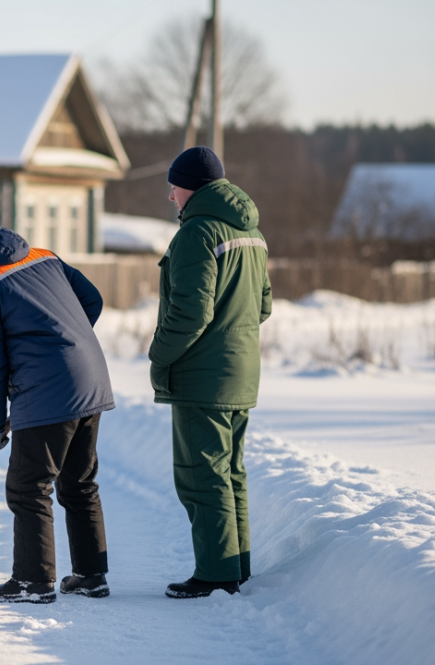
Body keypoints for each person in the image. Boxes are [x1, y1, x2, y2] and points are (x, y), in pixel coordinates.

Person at [0, 210, 114, 604]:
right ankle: (90, 575)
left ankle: (33, 581)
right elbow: (91, 300)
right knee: (78, 482)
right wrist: (64, 346)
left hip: (48, 389)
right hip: (91, 377)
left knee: (27, 487)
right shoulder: (41, 255)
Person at [149, 146, 272, 599]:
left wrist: (158, 355)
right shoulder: (252, 233)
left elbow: (189, 314)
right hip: (241, 373)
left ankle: (216, 575)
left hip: (203, 378)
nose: (170, 197)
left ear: (191, 188)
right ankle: (235, 567)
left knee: (202, 475)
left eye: (174, 187)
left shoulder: (196, 235)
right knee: (229, 473)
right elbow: (263, 305)